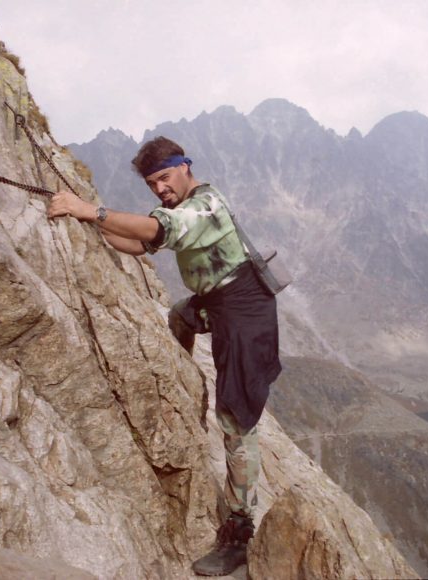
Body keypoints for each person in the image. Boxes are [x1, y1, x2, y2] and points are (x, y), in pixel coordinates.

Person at [47, 136, 281, 576]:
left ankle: (239, 531)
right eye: (153, 183)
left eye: (165, 177)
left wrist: (90, 210)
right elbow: (140, 245)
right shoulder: (182, 208)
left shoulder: (204, 206)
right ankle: (184, 378)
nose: (160, 189)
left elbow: (158, 231)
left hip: (246, 311)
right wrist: (94, 225)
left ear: (185, 167)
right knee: (180, 317)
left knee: (237, 420)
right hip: (216, 301)